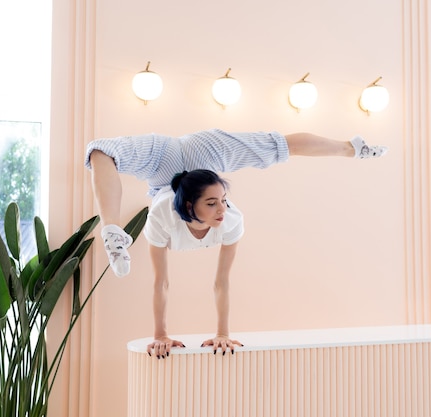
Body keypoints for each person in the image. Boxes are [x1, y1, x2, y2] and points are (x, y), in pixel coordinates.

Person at [84, 128, 387, 357]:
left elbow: (221, 283)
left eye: (223, 202)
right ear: (189, 208)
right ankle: (112, 231)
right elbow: (161, 283)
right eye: (214, 204)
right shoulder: (163, 214)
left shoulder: (230, 220)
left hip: (203, 157)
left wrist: (222, 333)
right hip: (162, 161)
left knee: (278, 145)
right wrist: (160, 335)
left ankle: (352, 148)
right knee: (99, 150)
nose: (222, 210)